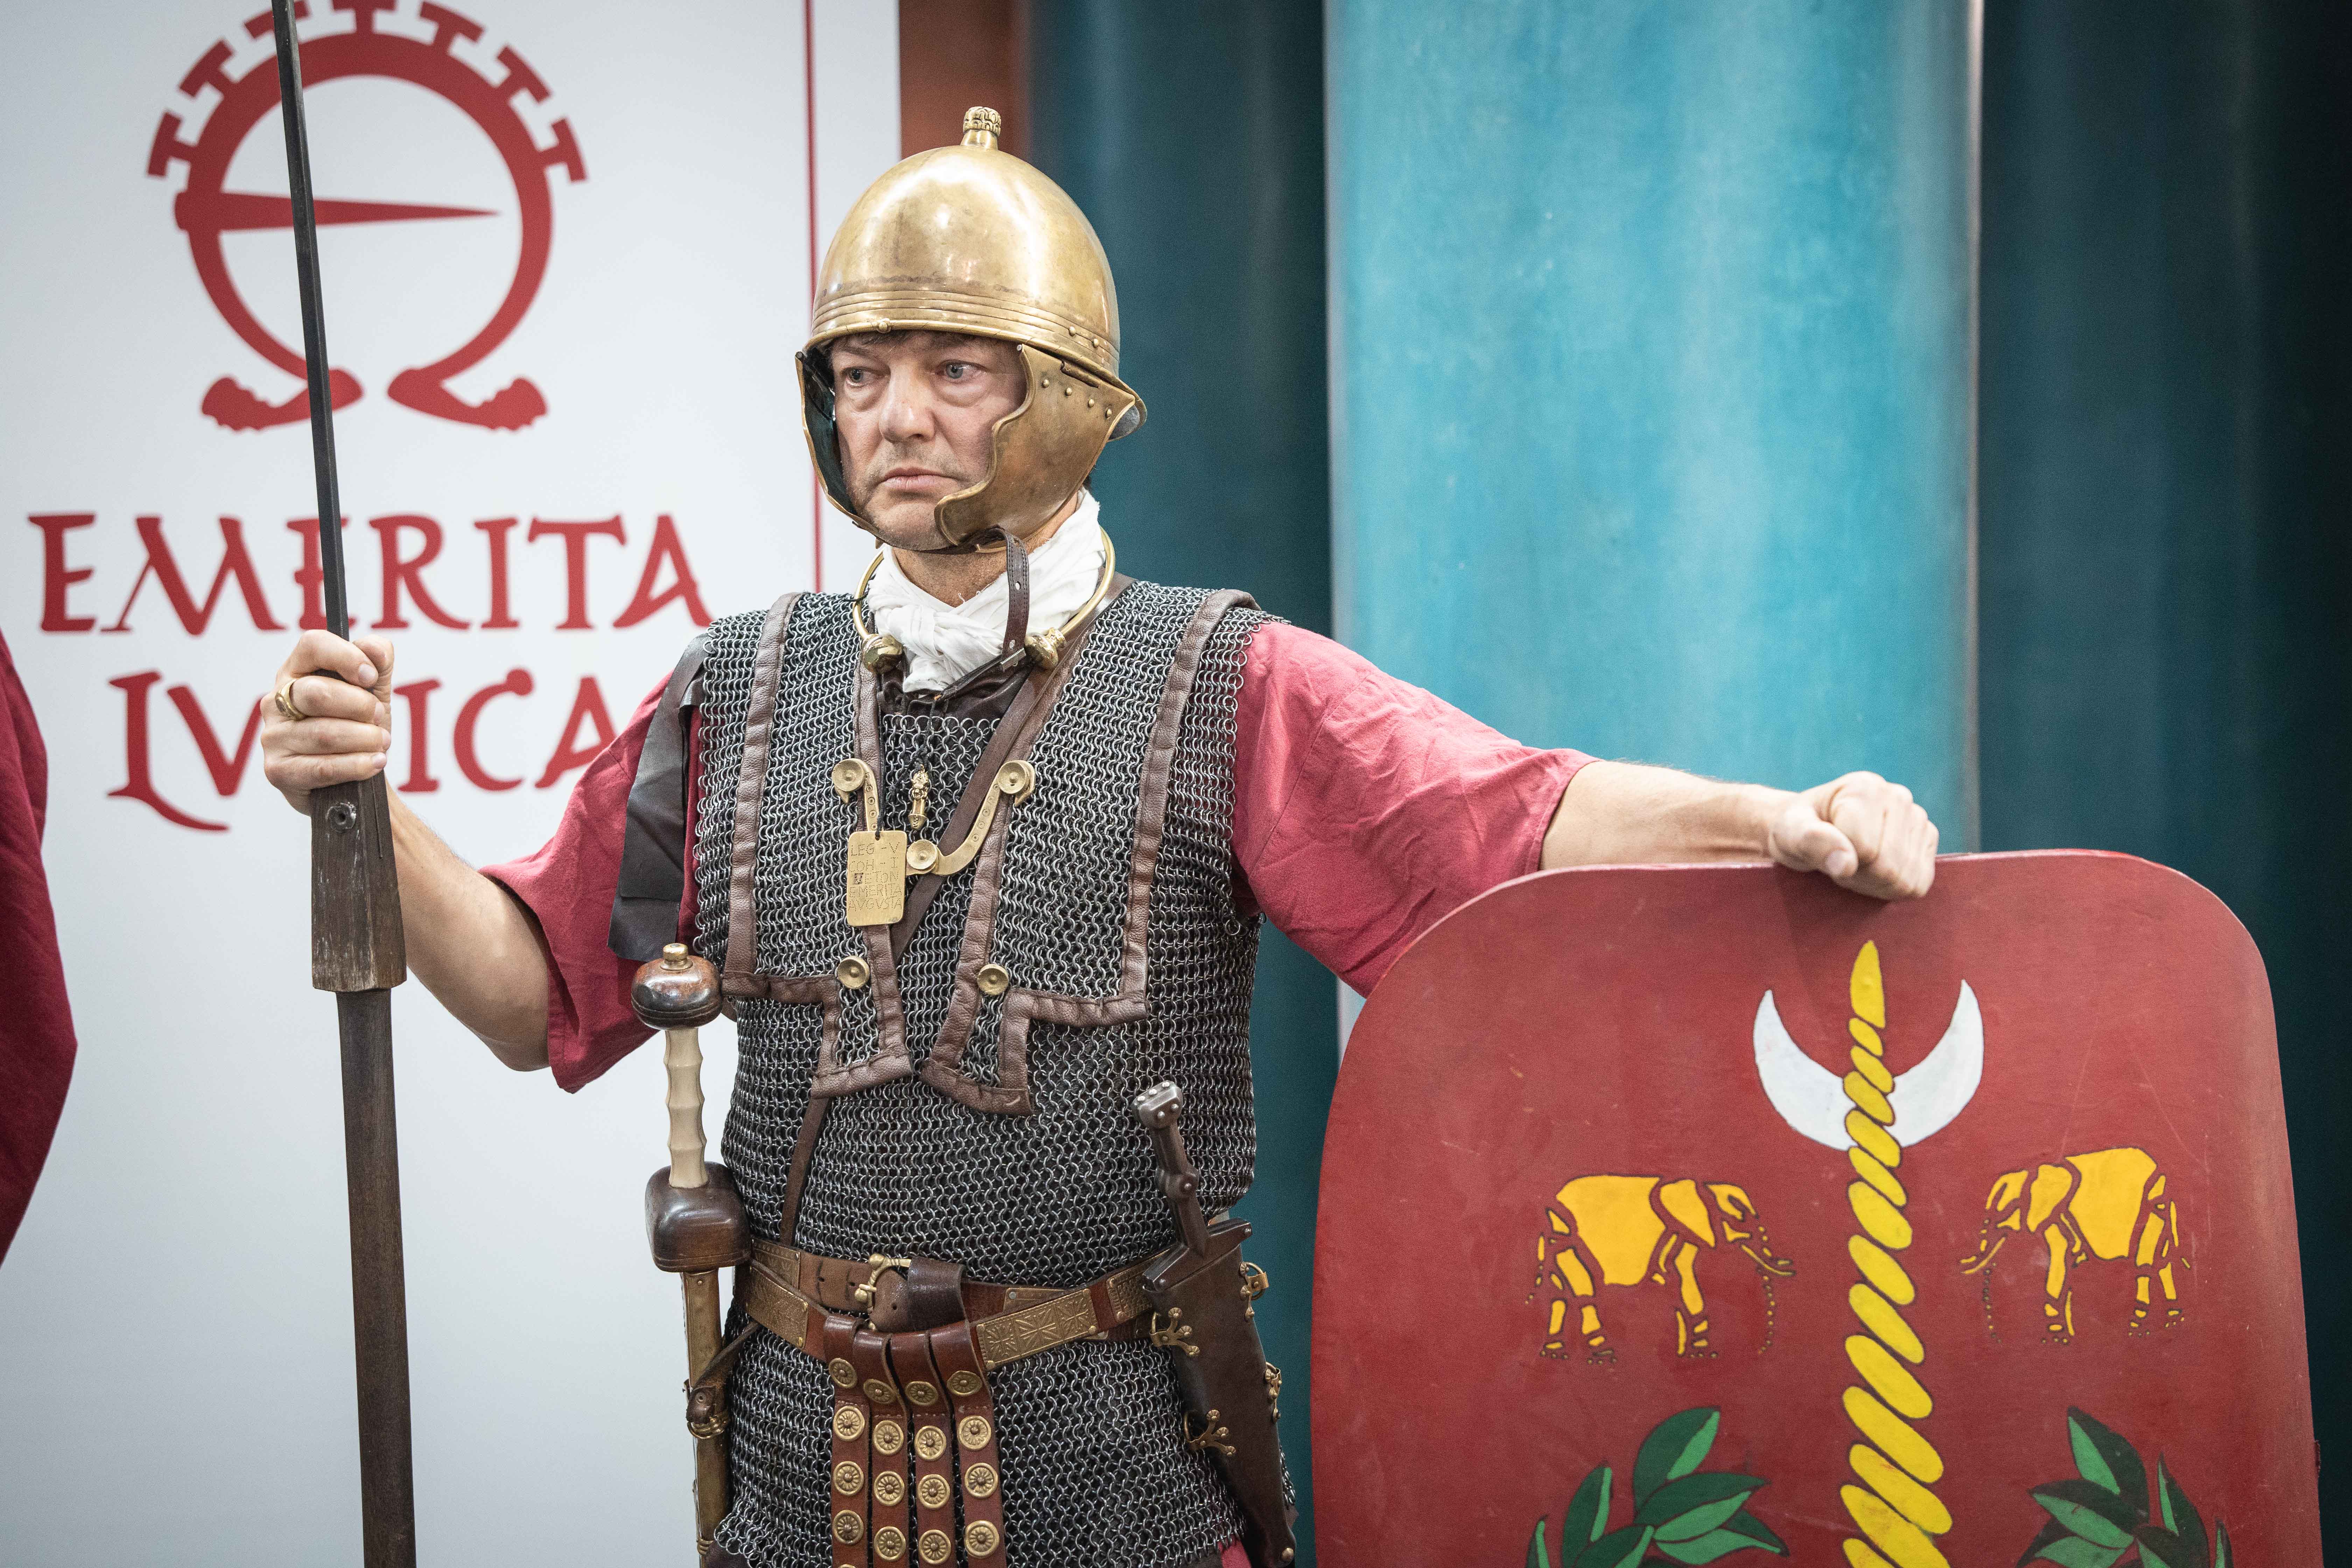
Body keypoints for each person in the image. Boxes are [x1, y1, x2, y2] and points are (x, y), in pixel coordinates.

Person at [258, 109, 1935, 1568]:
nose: (896, 415)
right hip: (799, 1470)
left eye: (954, 369)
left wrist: (1771, 820)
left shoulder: (1214, 683)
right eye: (862, 373)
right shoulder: (736, 691)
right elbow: (528, 989)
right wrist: (364, 804)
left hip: (1106, 1471)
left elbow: (1509, 822)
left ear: (1058, 396)